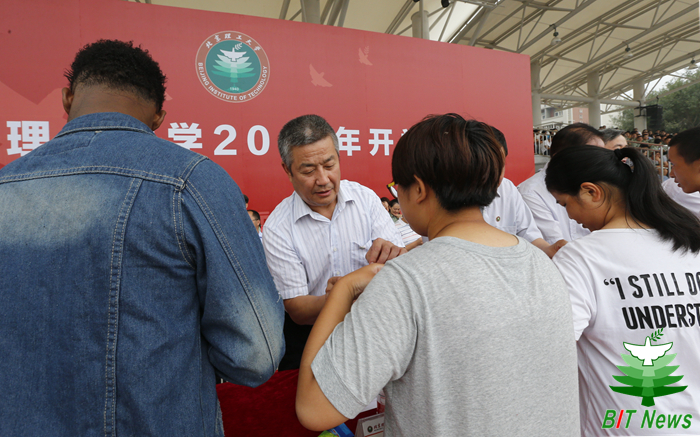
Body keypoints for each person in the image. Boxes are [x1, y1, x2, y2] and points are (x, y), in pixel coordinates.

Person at [0, 40, 284, 437]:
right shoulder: (192, 182)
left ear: (67, 98)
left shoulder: (5, 186)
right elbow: (255, 354)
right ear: (159, 117)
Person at [296, 114, 580, 436]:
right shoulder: (540, 263)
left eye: (397, 186)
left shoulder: (405, 281)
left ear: (418, 189)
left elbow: (313, 408)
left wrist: (344, 290)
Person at [546, 145, 700, 436]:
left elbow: (550, 349)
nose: (570, 216)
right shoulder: (690, 243)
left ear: (591, 192)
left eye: (564, 204)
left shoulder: (582, 257)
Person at [263, 114, 404, 371]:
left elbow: (395, 262)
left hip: (374, 327)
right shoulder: (278, 227)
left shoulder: (366, 200)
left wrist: (394, 254)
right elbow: (297, 309)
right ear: (287, 170)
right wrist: (339, 296)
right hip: (314, 336)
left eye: (329, 165)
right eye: (308, 170)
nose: (323, 179)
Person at [484, 126, 565, 258]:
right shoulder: (531, 190)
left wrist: (549, 249)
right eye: (485, 165)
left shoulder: (507, 188)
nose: (494, 174)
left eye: (499, 165)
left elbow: (528, 233)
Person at [518, 123, 604, 244]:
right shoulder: (531, 192)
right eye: (592, 155)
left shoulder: (604, 184)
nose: (602, 161)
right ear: (561, 157)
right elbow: (555, 245)